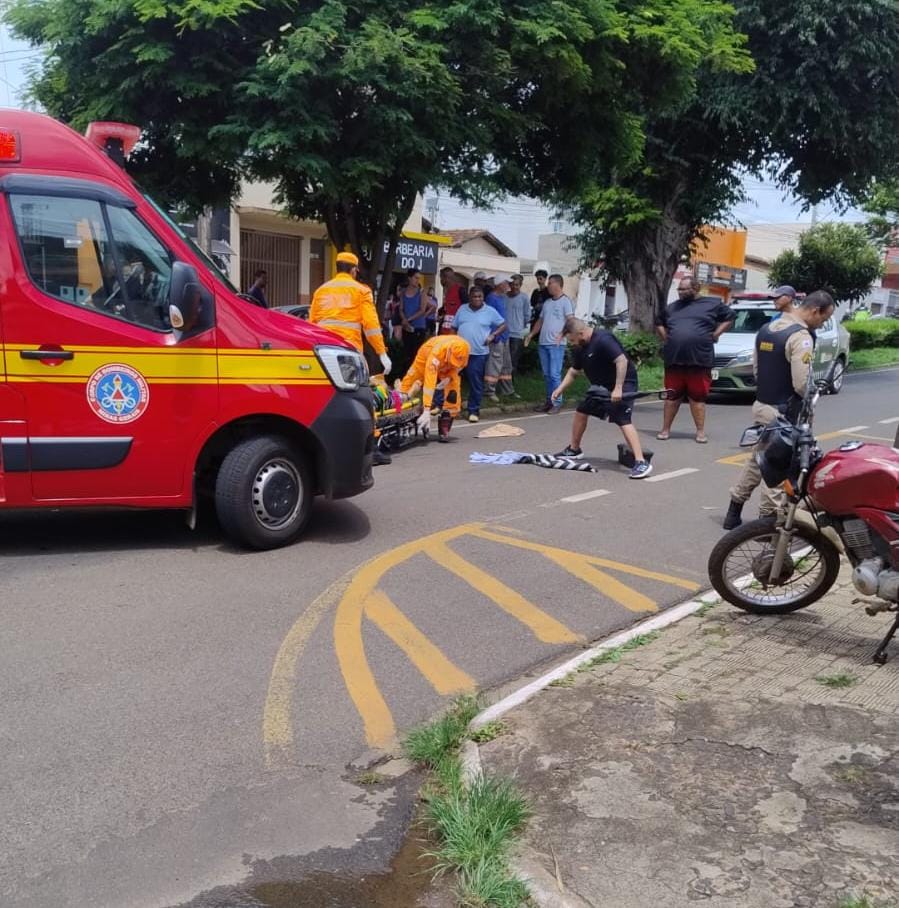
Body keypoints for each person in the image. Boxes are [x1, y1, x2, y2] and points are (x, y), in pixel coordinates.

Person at [723, 290, 836, 529]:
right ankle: (767, 520)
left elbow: (756, 369)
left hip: (762, 404)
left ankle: (734, 509)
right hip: (784, 412)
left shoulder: (767, 329)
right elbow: (801, 383)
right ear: (815, 311)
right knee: (777, 467)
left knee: (758, 459)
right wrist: (810, 399)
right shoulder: (801, 337)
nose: (821, 324)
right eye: (824, 319)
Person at [309, 251, 393, 465]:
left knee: (326, 401)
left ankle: (323, 448)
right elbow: (371, 326)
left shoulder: (321, 291)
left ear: (337, 268)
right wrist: (382, 353)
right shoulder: (361, 291)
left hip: (323, 354)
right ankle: (370, 450)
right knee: (362, 400)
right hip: (349, 357)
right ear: (354, 270)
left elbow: (311, 324)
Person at [552, 318, 653, 479]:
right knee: (581, 410)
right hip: (601, 387)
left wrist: (618, 388)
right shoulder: (580, 347)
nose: (572, 343)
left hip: (623, 383)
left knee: (622, 419)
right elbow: (573, 372)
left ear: (581, 333)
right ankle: (574, 449)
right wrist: (559, 389)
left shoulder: (603, 340)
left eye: (572, 340)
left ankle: (641, 462)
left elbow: (621, 361)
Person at [655, 277, 734, 443]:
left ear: (696, 288)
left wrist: (716, 334)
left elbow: (730, 317)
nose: (680, 292)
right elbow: (658, 321)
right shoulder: (672, 307)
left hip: (699, 359)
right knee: (671, 397)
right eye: (679, 289)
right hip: (674, 359)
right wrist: (666, 338)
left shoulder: (712, 304)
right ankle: (665, 429)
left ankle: (700, 432)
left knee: (697, 398)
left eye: (684, 289)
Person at [398, 335, 471, 441]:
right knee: (410, 380)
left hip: (450, 369)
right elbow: (429, 383)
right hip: (426, 355)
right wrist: (427, 409)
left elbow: (460, 366)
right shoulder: (436, 354)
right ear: (449, 351)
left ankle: (445, 424)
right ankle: (398, 405)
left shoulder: (464, 351)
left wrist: (449, 377)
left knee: (453, 395)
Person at [452, 285, 507, 423]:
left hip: (478, 353)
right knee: (451, 379)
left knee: (476, 383)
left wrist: (493, 335)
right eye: (474, 296)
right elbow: (454, 327)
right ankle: (450, 408)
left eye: (480, 296)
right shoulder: (462, 309)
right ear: (470, 297)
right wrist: (452, 343)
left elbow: (503, 325)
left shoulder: (489, 311)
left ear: (483, 298)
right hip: (460, 352)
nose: (477, 299)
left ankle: (473, 410)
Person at [524, 274, 574, 413]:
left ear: (558, 284)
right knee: (547, 375)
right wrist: (531, 334)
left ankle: (557, 402)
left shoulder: (566, 302)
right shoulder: (547, 303)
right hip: (543, 343)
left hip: (556, 344)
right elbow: (540, 321)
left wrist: (562, 335)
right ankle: (549, 401)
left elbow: (571, 321)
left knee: (554, 374)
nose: (548, 285)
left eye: (550, 283)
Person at [485, 274, 515, 401]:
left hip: (504, 336)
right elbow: (490, 319)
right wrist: (495, 336)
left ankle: (506, 390)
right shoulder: (492, 298)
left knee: (505, 365)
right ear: (500, 284)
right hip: (497, 337)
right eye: (506, 283)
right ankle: (489, 391)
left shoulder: (501, 298)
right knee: (494, 365)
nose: (508, 285)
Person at [505, 274, 531, 379]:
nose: (514, 287)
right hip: (504, 332)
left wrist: (523, 329)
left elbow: (527, 315)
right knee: (503, 360)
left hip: (517, 334)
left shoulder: (524, 297)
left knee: (513, 360)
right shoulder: (504, 296)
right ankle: (502, 382)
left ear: (520, 285)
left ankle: (511, 383)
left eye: (517, 285)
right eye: (512, 284)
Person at [400, 269, 430, 360]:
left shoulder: (421, 292)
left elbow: (422, 310)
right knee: (406, 354)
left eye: (418, 278)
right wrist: (404, 319)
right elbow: (401, 308)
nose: (417, 280)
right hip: (407, 327)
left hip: (418, 327)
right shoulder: (403, 292)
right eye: (416, 278)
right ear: (409, 278)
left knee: (416, 354)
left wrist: (408, 319)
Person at [438, 267, 468, 335]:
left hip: (456, 332)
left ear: (446, 278)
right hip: (444, 331)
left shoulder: (460, 290)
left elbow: (467, 309)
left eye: (441, 278)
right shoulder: (447, 292)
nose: (441, 280)